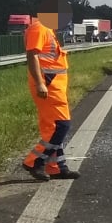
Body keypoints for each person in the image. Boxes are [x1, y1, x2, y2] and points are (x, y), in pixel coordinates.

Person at [22, 11, 79, 180]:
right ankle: (34, 162)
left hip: (54, 86)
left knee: (53, 128)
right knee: (61, 126)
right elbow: (32, 55)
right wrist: (40, 83)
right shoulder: (39, 28)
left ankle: (56, 167)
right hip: (48, 85)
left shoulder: (47, 29)